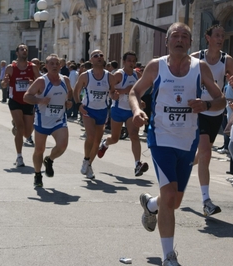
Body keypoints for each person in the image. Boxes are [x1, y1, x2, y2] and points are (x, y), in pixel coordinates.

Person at [129, 22, 225, 266]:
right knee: (170, 195)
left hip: (188, 140)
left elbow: (221, 100)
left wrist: (206, 105)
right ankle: (168, 256)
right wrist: (138, 110)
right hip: (161, 137)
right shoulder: (156, 66)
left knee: (173, 201)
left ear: (190, 43)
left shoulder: (199, 67)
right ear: (168, 41)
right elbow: (134, 92)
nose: (180, 40)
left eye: (185, 36)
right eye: (175, 36)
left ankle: (151, 205)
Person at [190, 24, 233, 217]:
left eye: (223, 35)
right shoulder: (196, 57)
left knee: (203, 154)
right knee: (206, 153)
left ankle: (184, 166)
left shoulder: (227, 60)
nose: (220, 38)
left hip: (215, 111)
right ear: (207, 37)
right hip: (199, 111)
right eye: (217, 35)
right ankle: (206, 201)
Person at [23, 54, 73, 187]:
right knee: (39, 149)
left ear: (60, 66)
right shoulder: (41, 81)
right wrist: (40, 100)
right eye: (52, 63)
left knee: (62, 146)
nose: (55, 66)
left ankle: (49, 160)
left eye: (57, 63)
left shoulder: (66, 80)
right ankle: (38, 174)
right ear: (46, 66)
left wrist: (69, 102)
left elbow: (70, 93)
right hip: (42, 120)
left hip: (59, 119)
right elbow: (26, 97)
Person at [97, 51, 149, 176]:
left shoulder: (138, 75)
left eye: (133, 61)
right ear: (124, 62)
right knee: (115, 138)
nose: (131, 63)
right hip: (118, 109)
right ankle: (105, 144)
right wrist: (121, 92)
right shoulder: (119, 75)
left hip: (132, 111)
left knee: (134, 135)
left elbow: (139, 91)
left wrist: (140, 101)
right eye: (129, 61)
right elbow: (109, 89)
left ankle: (137, 164)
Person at [73, 50, 116, 179]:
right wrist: (78, 105)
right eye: (95, 56)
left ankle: (89, 165)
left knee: (97, 141)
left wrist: (115, 95)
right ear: (91, 60)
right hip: (88, 109)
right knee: (90, 136)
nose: (99, 57)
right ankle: (86, 159)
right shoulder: (85, 76)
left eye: (101, 55)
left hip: (102, 111)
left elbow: (112, 93)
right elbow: (76, 91)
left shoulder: (109, 77)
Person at [1, 44, 40, 167]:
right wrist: (5, 83)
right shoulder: (10, 68)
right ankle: (19, 156)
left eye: (26, 50)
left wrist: (33, 83)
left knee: (27, 133)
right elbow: (3, 84)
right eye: (22, 49)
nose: (24, 51)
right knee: (20, 126)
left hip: (28, 101)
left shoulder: (32, 67)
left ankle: (17, 127)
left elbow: (41, 85)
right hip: (15, 100)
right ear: (17, 53)